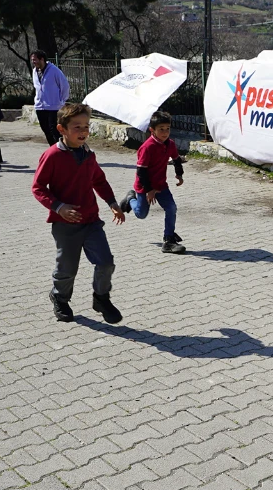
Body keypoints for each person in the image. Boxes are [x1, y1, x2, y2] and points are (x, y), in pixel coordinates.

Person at [31, 102, 125, 324]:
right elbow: (38, 188)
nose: (83, 131)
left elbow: (99, 180)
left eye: (86, 126)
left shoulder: (88, 154)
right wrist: (58, 206)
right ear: (62, 129)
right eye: (77, 127)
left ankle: (101, 298)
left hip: (91, 220)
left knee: (106, 263)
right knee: (67, 268)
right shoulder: (52, 155)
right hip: (65, 225)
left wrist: (112, 202)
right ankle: (60, 297)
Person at [119, 110, 186, 254]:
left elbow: (176, 159)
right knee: (141, 214)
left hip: (161, 185)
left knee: (171, 208)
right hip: (144, 186)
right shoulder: (147, 147)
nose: (165, 132)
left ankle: (169, 240)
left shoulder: (170, 144)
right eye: (161, 129)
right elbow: (141, 172)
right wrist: (149, 190)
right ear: (152, 130)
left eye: (167, 129)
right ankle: (130, 199)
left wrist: (179, 174)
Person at [30, 50, 69, 146]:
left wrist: (61, 100)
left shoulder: (54, 71)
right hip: (40, 106)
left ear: (41, 59)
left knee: (54, 130)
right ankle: (53, 151)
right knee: (46, 130)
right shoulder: (35, 71)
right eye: (32, 60)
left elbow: (65, 86)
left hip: (53, 106)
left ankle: (62, 151)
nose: (33, 62)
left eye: (35, 60)